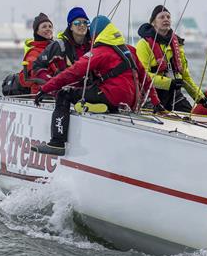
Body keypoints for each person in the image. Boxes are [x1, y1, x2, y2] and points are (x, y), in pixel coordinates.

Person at [33, 15, 160, 156]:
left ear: (96, 33)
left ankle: (57, 143)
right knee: (91, 91)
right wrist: (156, 103)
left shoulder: (99, 52)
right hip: (132, 100)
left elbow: (72, 73)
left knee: (64, 94)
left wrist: (45, 88)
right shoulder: (129, 49)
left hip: (111, 95)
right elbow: (146, 79)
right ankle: (99, 107)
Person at [136, 5, 203, 112]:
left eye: (168, 17)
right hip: (152, 95)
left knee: (190, 117)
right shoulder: (143, 44)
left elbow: (185, 76)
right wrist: (169, 83)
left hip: (174, 95)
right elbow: (143, 76)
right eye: (162, 17)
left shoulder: (177, 45)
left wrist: (200, 98)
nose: (166, 19)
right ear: (153, 22)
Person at [32, 6, 92, 84]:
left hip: (87, 91)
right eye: (77, 23)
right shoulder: (60, 45)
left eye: (85, 22)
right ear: (70, 26)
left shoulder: (93, 45)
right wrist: (50, 82)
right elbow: (37, 65)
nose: (82, 25)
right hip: (65, 92)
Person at [18, 12, 53, 93]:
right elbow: (29, 78)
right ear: (36, 32)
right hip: (41, 97)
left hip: (57, 93)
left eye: (50, 26)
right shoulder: (33, 53)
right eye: (44, 27)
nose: (48, 29)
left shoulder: (56, 48)